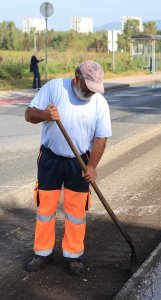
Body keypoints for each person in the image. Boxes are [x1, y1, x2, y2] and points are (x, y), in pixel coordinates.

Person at [24, 60, 112, 275]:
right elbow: (29, 114)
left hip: (79, 161)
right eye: (87, 87)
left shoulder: (99, 103)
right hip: (50, 158)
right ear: (76, 79)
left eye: (95, 89)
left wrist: (92, 166)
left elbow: (101, 138)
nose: (91, 93)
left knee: (76, 211)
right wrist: (45, 115)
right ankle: (42, 253)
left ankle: (74, 255)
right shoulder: (55, 88)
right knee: (45, 208)